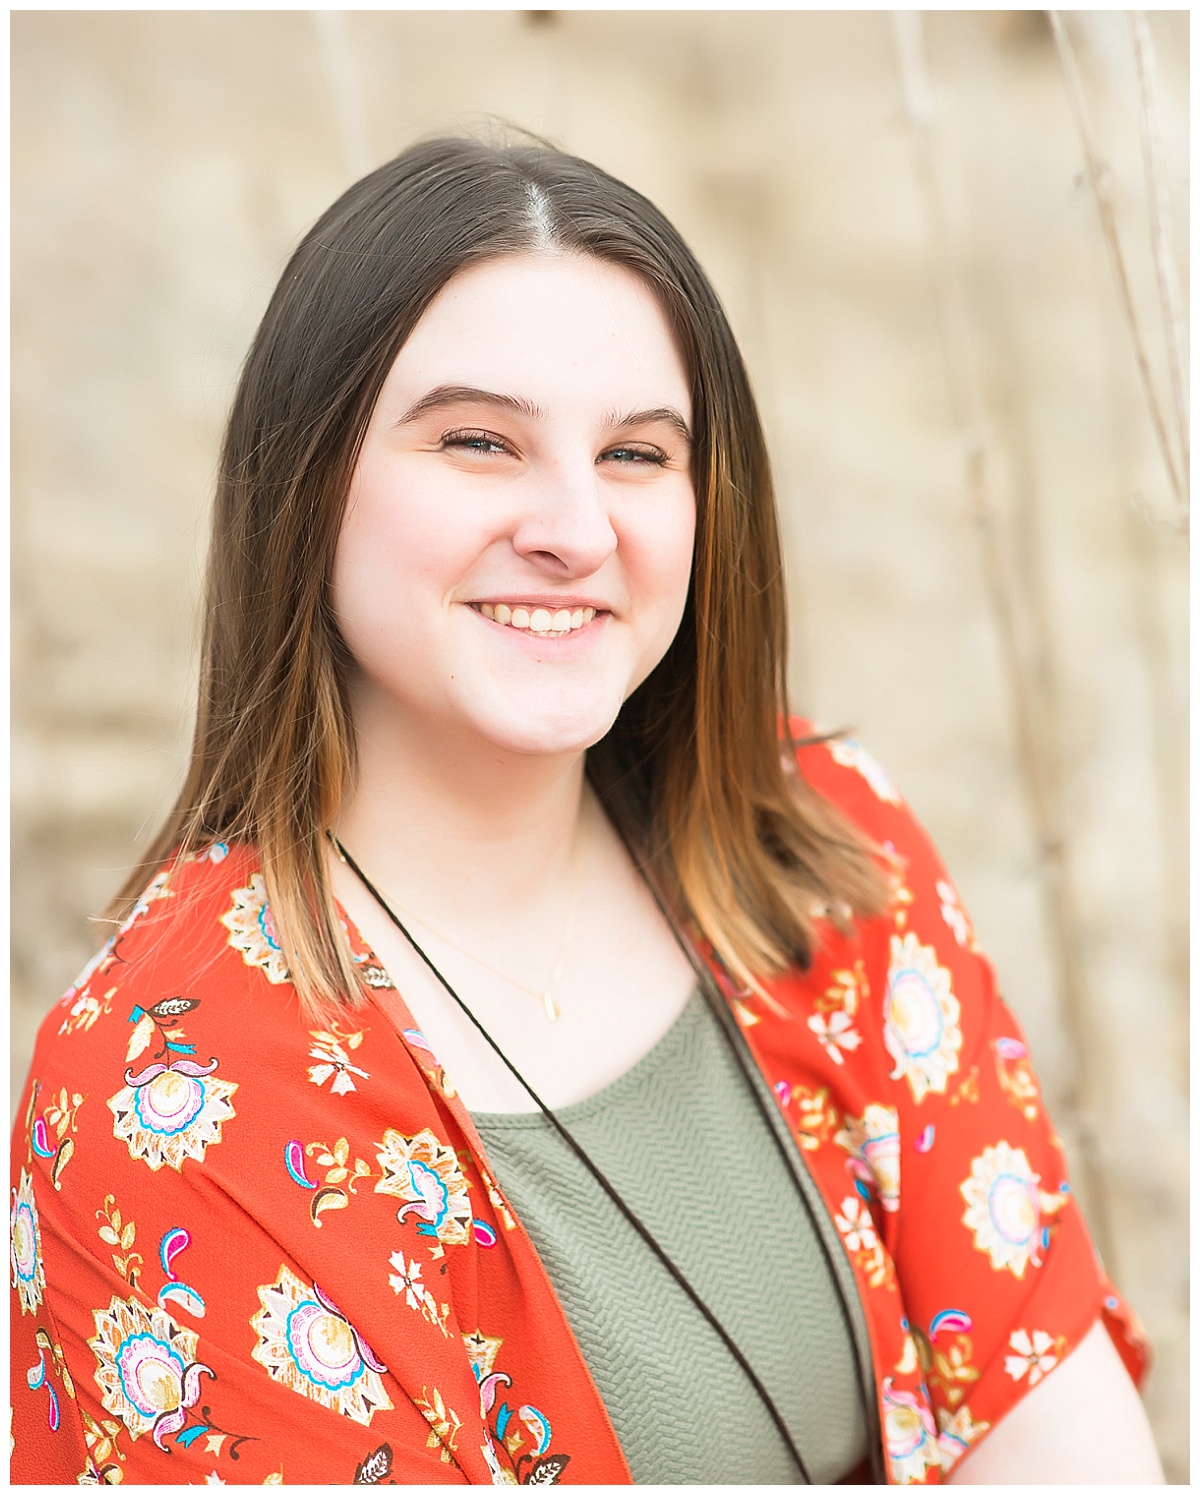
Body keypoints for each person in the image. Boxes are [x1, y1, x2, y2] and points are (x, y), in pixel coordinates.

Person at [9, 136, 1164, 1487]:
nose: (575, 526)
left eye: (635, 454)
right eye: (479, 442)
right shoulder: (169, 1091)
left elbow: (1051, 1424)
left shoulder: (813, 843)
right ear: (306, 483)